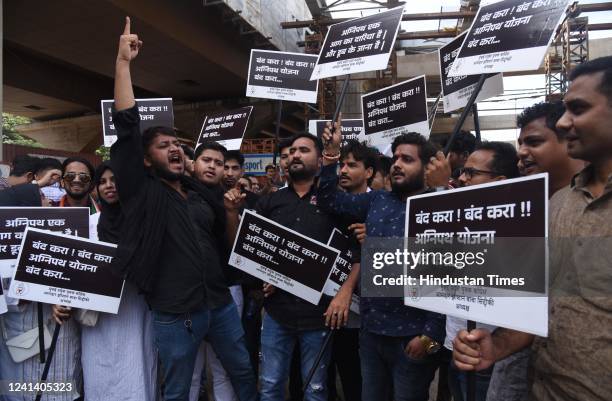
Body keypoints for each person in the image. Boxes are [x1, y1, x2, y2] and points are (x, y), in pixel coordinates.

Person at [110, 17, 256, 401]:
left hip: (219, 303)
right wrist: (123, 65)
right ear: (144, 161)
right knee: (177, 389)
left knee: (242, 372)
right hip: (178, 314)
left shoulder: (197, 192)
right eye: (163, 145)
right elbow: (127, 128)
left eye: (177, 142)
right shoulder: (141, 193)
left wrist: (228, 212)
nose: (175, 147)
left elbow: (225, 241)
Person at [452, 56, 612, 401]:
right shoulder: (558, 205)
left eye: (579, 108)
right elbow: (541, 306)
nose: (566, 122)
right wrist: (496, 346)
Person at [317, 121, 445, 401]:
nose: (397, 164)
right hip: (371, 334)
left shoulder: (439, 206)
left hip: (413, 337)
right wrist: (330, 155)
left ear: (426, 168)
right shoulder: (378, 201)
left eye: (407, 159)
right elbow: (328, 200)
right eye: (396, 158)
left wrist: (430, 335)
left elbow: (445, 273)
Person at [483, 101, 584, 401]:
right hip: (520, 365)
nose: (522, 153)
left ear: (569, 139)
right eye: (520, 144)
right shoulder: (521, 209)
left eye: (534, 142)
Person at [256, 132, 338, 401]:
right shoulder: (270, 201)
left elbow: (350, 251)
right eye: (291, 151)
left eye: (303, 150)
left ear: (319, 158)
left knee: (315, 389)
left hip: (319, 314)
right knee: (269, 385)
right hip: (277, 313)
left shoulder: (333, 200)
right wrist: (263, 274)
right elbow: (256, 247)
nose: (294, 155)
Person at [441, 142, 520, 401]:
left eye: (471, 173)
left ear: (499, 181)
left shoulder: (519, 227)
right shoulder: (454, 218)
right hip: (453, 342)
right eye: (462, 171)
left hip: (488, 350)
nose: (461, 178)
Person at [80, 163, 159, 401]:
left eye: (114, 180)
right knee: (98, 368)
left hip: (134, 308)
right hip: (98, 314)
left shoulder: (142, 222)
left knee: (137, 364)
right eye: (102, 182)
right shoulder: (89, 224)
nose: (108, 186)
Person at [0, 181, 83, 401]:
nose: (48, 200)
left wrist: (63, 297)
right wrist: (28, 292)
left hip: (59, 335)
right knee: (21, 390)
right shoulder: (6, 244)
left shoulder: (62, 234)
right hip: (22, 336)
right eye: (41, 197)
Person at [325, 140, 378, 401]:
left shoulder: (381, 205)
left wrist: (375, 236)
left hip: (364, 311)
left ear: (369, 172)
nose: (343, 170)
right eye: (341, 165)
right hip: (325, 305)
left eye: (352, 165)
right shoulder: (331, 202)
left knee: (356, 377)